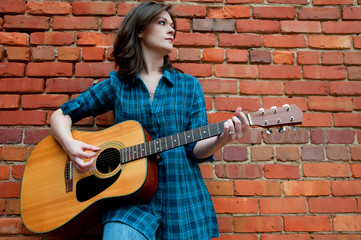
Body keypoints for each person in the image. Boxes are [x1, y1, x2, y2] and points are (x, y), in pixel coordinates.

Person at [50, 1, 250, 239]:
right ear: (140, 30)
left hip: (182, 198)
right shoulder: (117, 86)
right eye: (162, 22)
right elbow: (60, 115)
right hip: (130, 201)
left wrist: (223, 138)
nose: (172, 30)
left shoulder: (189, 86)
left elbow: (195, 150)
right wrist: (70, 145)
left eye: (173, 26)